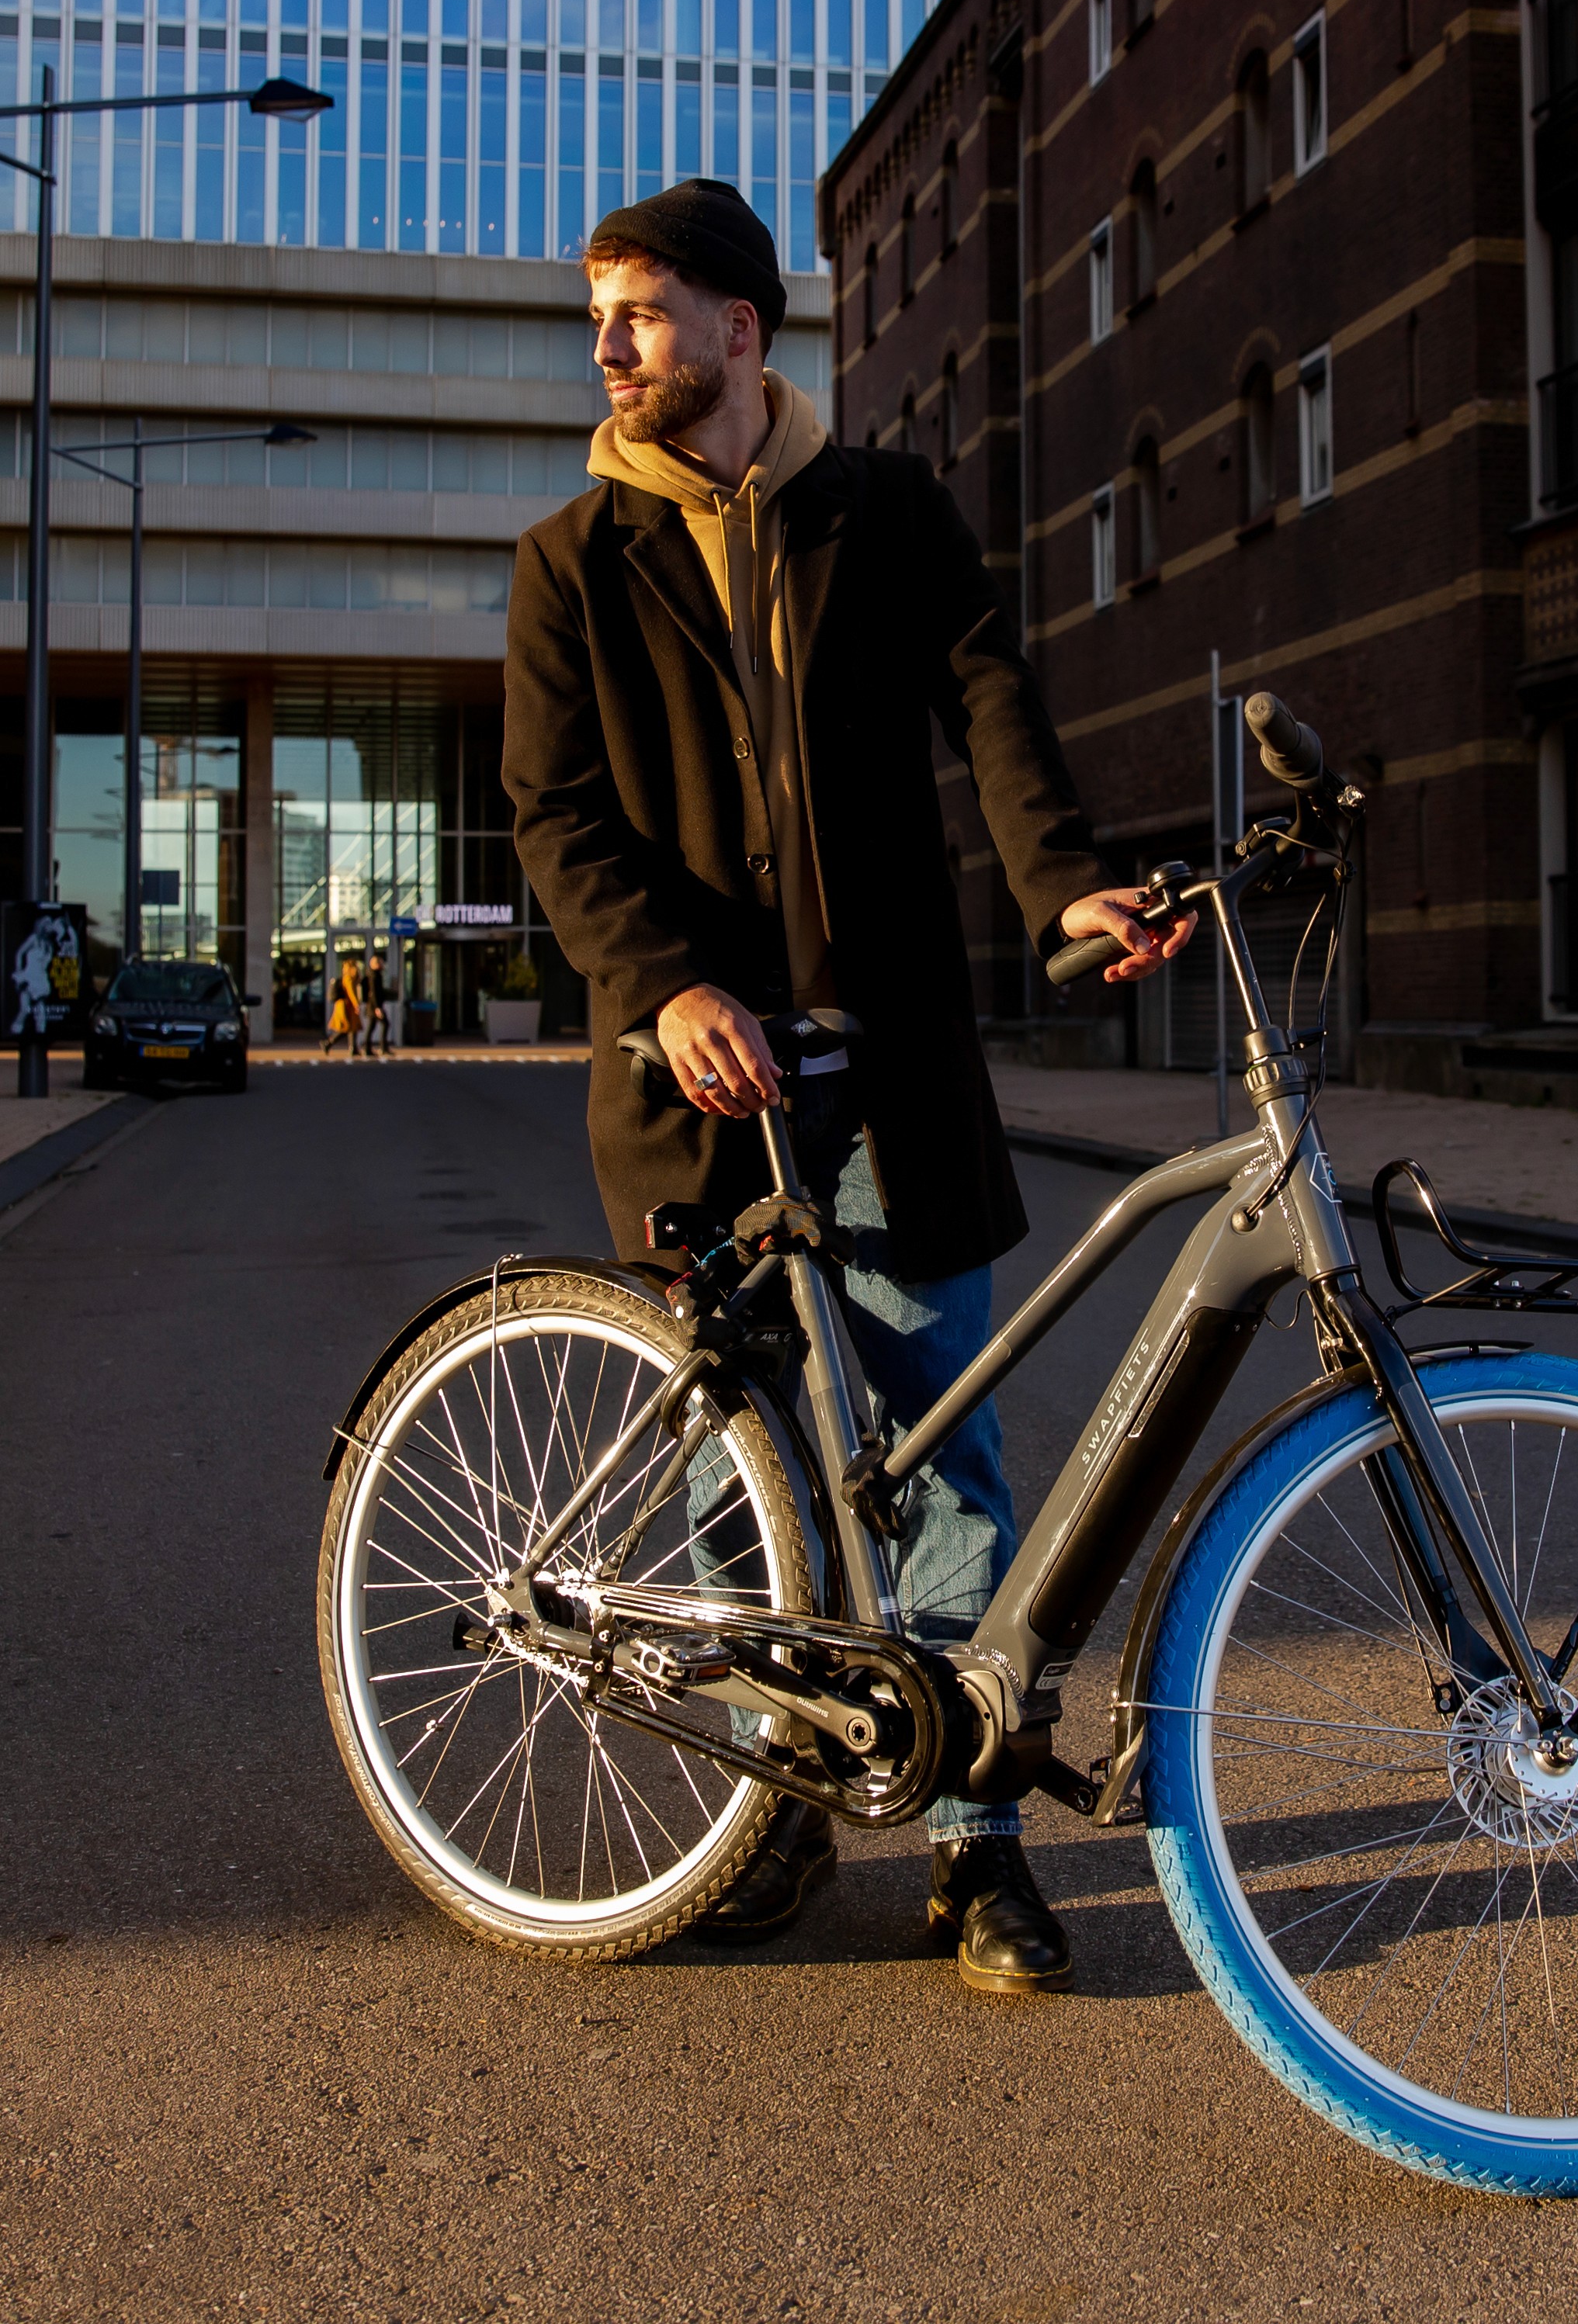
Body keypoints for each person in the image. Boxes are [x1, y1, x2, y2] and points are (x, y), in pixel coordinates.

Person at [505, 178, 1190, 1995]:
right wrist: (659, 988)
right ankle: (776, 1808)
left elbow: (990, 703)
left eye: (639, 311)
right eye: (600, 317)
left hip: (881, 1063)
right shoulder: (568, 563)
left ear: (741, 326)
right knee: (751, 1485)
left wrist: (1062, 886)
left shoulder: (882, 513)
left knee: (934, 1456)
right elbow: (556, 820)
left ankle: (975, 1850)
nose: (609, 346)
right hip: (693, 1087)